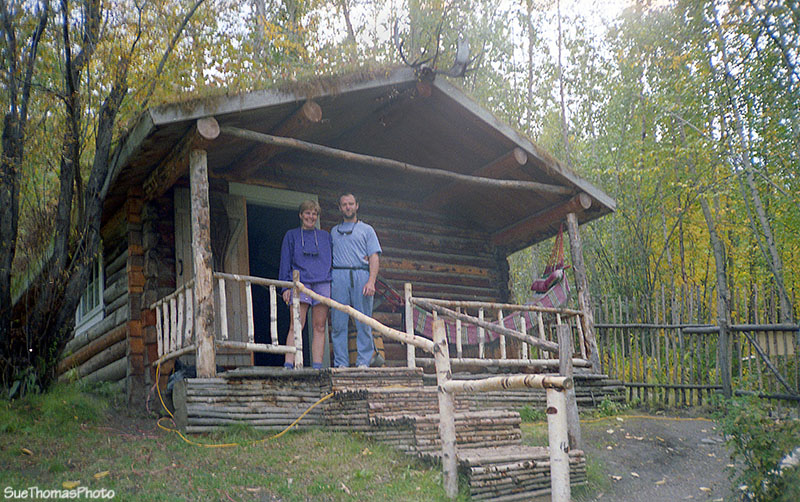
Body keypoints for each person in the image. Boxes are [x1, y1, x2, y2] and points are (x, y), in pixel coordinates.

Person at [330, 193, 383, 368]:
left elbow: (374, 257)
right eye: (344, 204)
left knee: (363, 320)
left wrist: (371, 281)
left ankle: (363, 361)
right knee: (338, 322)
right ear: (340, 208)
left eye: (351, 204)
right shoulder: (334, 232)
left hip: (361, 275)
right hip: (339, 275)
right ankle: (341, 363)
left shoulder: (367, 230)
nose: (348, 207)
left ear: (357, 206)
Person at [279, 200, 332, 369]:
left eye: (314, 214)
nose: (311, 217)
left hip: (322, 282)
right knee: (296, 325)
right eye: (308, 213)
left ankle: (317, 367)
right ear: (301, 215)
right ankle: (289, 364)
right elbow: (285, 261)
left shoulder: (325, 236)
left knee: (319, 326)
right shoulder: (291, 235)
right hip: (300, 282)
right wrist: (285, 287)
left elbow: (335, 258)